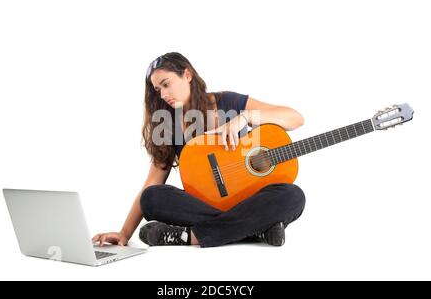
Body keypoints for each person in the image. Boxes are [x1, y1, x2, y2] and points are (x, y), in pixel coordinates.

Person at [92, 52, 306, 248]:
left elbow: (295, 118)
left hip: (248, 200)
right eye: (158, 90)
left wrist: (245, 117)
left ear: (187, 74)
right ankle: (253, 229)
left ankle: (190, 236)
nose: (163, 94)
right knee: (152, 198)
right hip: (202, 204)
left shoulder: (228, 102)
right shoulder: (168, 125)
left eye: (167, 84)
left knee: (293, 196)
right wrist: (124, 233)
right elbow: (152, 182)